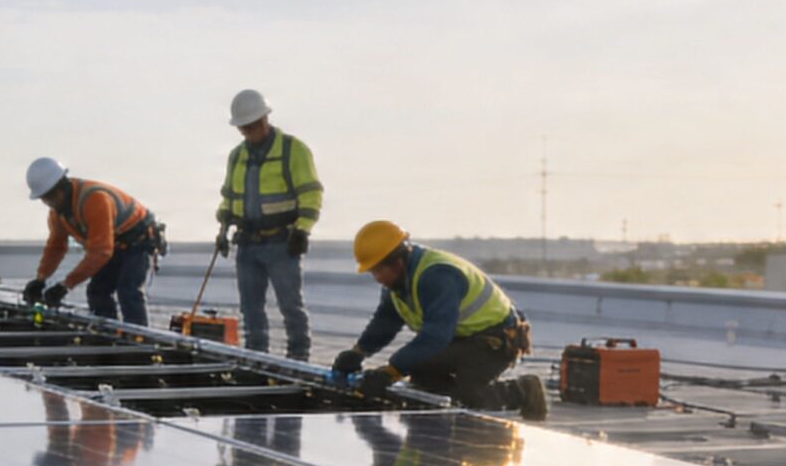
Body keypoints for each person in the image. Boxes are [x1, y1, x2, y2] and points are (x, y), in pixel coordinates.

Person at [329, 221, 548, 419]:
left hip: (495, 339)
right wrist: (358, 352)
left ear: (397, 261)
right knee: (422, 375)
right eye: (372, 272)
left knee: (469, 393)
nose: (377, 278)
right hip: (461, 338)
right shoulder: (397, 284)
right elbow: (385, 322)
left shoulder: (437, 276)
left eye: (378, 270)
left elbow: (435, 336)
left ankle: (523, 390)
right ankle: (450, 408)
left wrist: (390, 372)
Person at [214, 89, 322, 360]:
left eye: (252, 126)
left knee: (290, 306)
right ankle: (256, 358)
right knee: (250, 308)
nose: (249, 132)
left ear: (265, 120)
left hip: (281, 243)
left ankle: (299, 358)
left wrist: (302, 230)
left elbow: (311, 193)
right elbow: (229, 196)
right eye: (244, 128)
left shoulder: (292, 150)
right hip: (248, 243)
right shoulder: (237, 156)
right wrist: (223, 229)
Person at [22, 157, 163, 325]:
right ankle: (106, 336)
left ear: (61, 187)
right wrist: (40, 279)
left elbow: (101, 252)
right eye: (44, 199)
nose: (48, 203)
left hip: (138, 242)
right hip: (114, 246)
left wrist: (65, 286)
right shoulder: (58, 214)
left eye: (49, 197)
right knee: (97, 291)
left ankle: (139, 340)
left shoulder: (95, 200)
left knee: (128, 291)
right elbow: (56, 247)